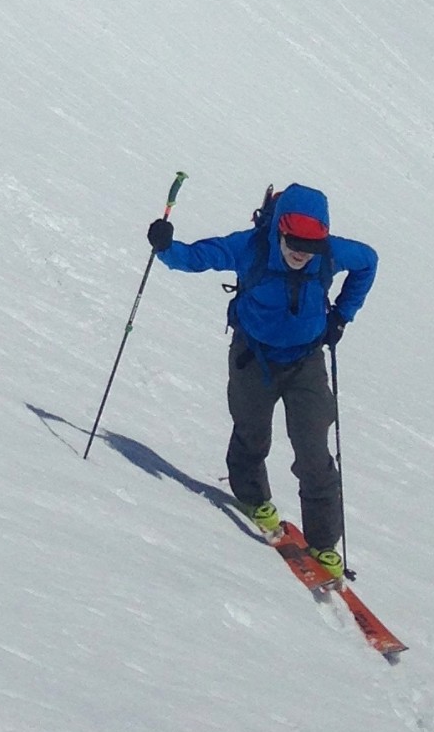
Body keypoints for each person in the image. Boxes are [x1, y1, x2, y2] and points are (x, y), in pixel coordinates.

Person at [148, 182, 377, 581]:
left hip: (306, 362)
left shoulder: (331, 253)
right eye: (294, 242)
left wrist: (342, 315)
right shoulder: (250, 247)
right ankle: (254, 498)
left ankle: (324, 544)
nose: (301, 252)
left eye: (311, 245)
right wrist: (166, 248)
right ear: (279, 230)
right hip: (253, 357)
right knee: (251, 431)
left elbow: (368, 262)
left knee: (313, 450)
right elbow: (199, 256)